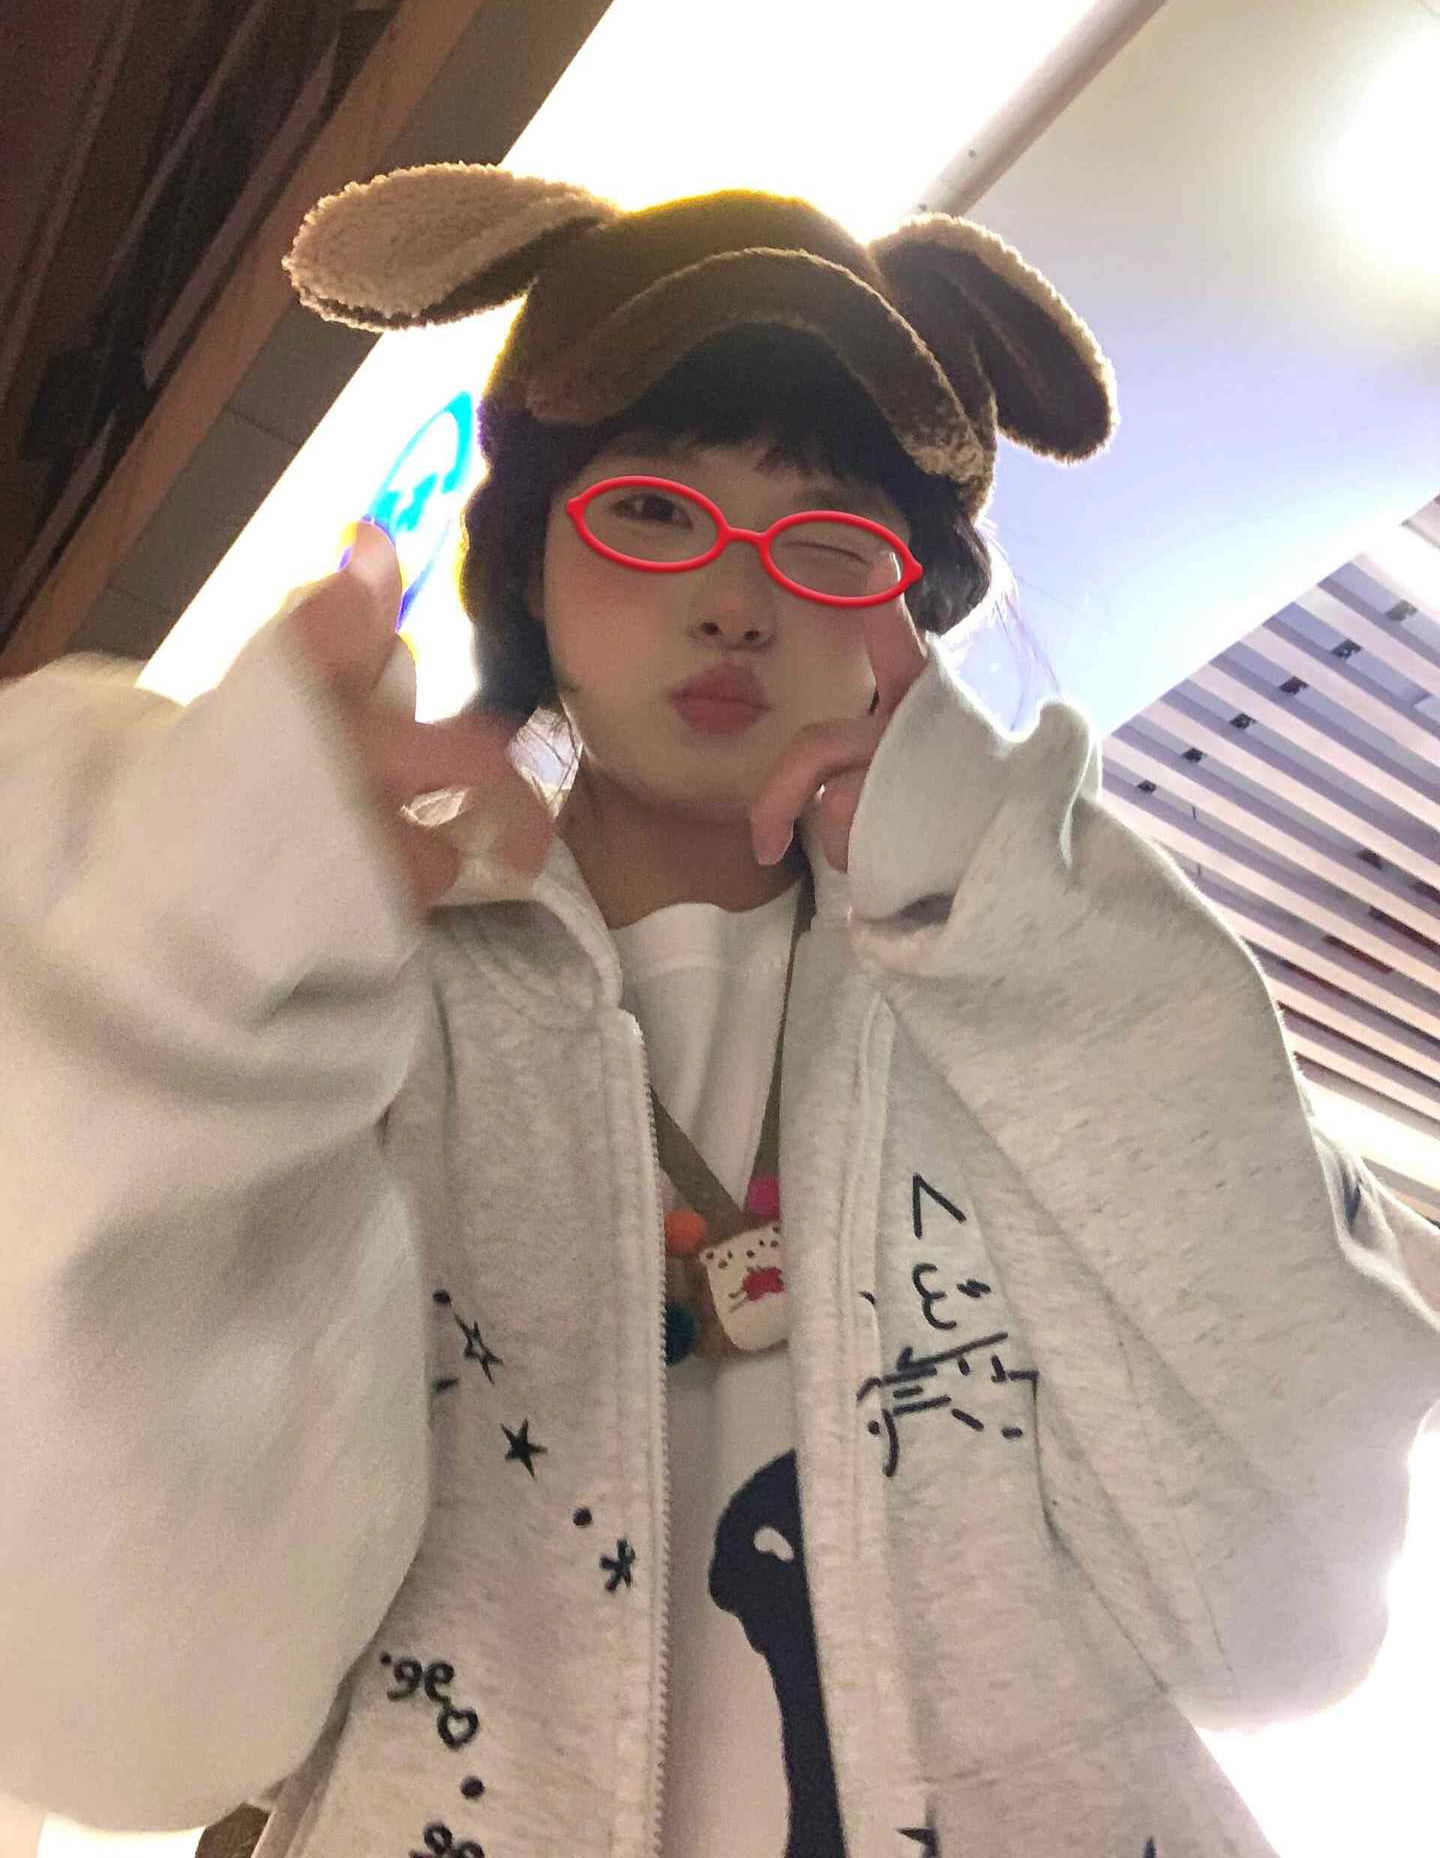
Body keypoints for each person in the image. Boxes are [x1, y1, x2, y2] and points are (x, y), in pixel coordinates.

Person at [3, 165, 1439, 1858]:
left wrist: (1039, 927)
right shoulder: (347, 1017)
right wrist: (184, 997)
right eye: (653, 512)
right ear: (533, 563)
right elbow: (130, 1717)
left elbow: (1281, 1618)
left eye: (828, 542)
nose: (735, 599)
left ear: (914, 618)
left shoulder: (1047, 996)